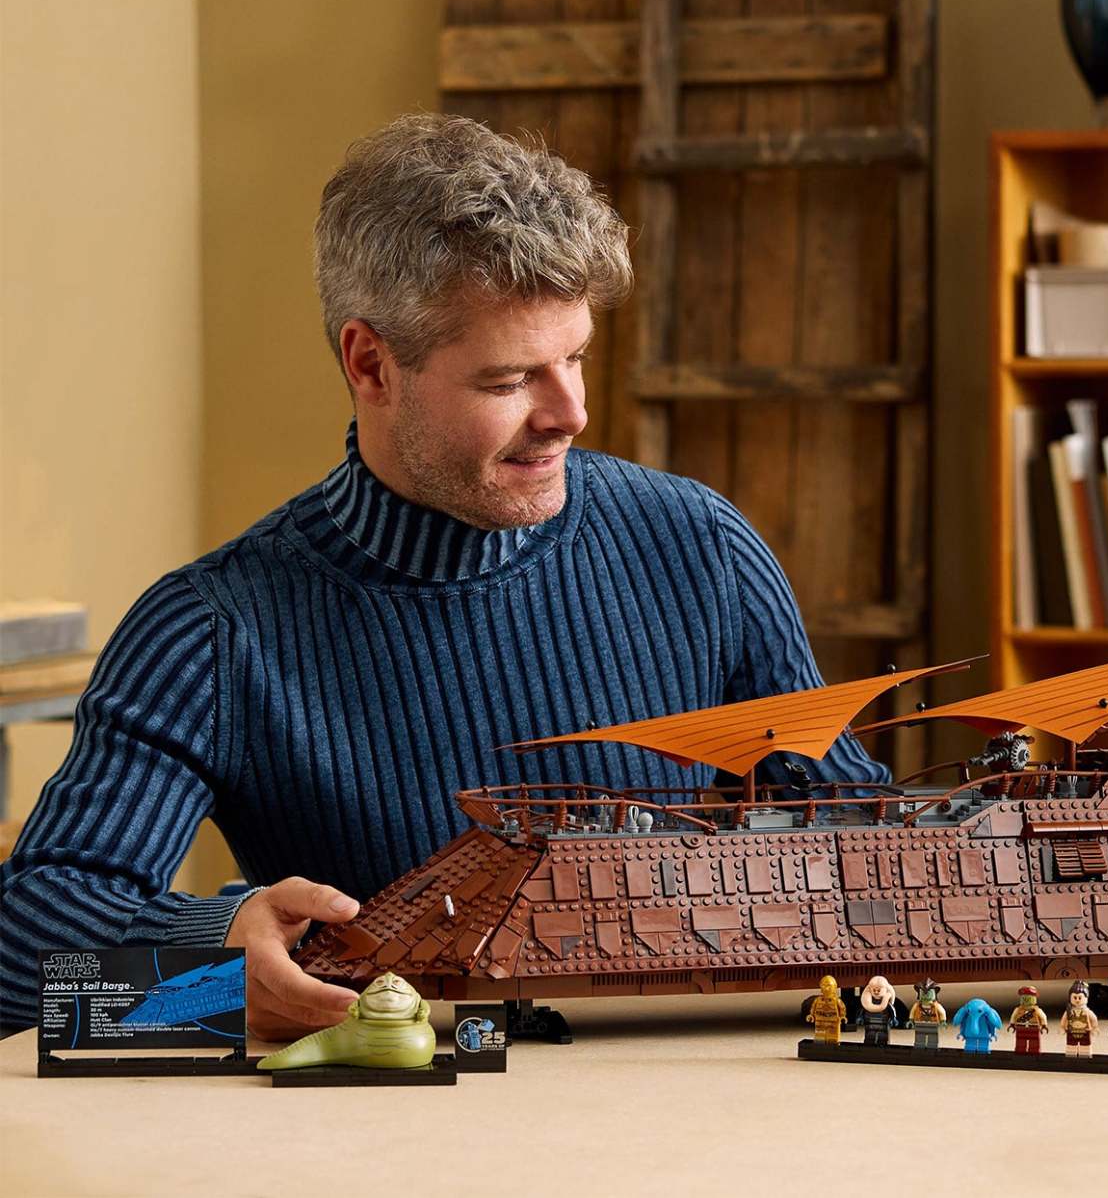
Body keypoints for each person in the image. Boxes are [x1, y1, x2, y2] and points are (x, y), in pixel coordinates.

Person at [0, 114, 889, 1035]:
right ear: (370, 364)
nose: (571, 413)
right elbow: (21, 950)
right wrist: (214, 963)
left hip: (694, 1110)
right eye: (509, 380)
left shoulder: (700, 547)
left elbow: (859, 837)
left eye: (576, 357)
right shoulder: (213, 628)